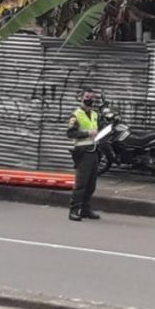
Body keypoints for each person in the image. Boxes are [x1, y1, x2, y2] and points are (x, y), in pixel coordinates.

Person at [67, 90, 102, 222]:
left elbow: (97, 130)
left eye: (91, 97)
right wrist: (88, 133)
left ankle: (86, 209)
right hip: (82, 152)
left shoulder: (94, 114)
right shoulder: (76, 115)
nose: (89, 99)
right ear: (81, 98)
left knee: (91, 184)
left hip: (93, 151)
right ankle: (74, 210)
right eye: (87, 97)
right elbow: (70, 133)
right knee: (81, 183)